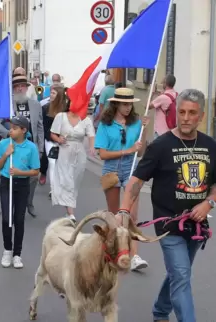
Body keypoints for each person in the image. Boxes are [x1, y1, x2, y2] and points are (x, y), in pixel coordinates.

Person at [116, 89, 215, 322]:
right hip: (169, 224)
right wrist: (123, 210)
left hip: (197, 226)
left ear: (201, 115)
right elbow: (136, 181)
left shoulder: (210, 145)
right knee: (181, 273)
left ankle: (161, 310)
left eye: (192, 113)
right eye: (181, 112)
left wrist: (208, 203)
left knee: (178, 273)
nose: (186, 117)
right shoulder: (161, 146)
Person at [94, 87, 150, 271]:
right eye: (124, 104)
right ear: (116, 104)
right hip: (112, 170)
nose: (127, 108)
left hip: (131, 169)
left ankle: (134, 256)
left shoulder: (135, 123)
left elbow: (140, 152)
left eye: (130, 104)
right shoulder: (106, 124)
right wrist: (128, 150)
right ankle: (111, 249)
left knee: (132, 215)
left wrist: (145, 131)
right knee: (115, 216)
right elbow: (102, 154)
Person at [0, 73, 44, 217]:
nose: (20, 89)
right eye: (17, 86)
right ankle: (15, 202)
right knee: (13, 175)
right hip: (13, 146)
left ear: (27, 88)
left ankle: (29, 201)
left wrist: (40, 148)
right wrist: (8, 133)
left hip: (31, 146)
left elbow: (40, 127)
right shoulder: (6, 106)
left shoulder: (35, 105)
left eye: (23, 86)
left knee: (33, 177)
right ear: (13, 89)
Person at [0, 116, 40, 269]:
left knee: (19, 219)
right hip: (6, 183)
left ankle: (17, 254)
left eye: (14, 128)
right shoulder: (3, 144)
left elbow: (35, 171)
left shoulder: (31, 147)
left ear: (23, 130)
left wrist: (21, 172)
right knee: (7, 218)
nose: (11, 131)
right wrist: (6, 154)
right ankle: (7, 250)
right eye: (10, 128)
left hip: (22, 185)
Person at [50, 91, 96, 222]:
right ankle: (71, 213)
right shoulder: (61, 116)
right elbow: (53, 133)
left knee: (74, 181)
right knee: (66, 180)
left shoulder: (85, 119)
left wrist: (92, 147)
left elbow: (91, 135)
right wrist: (59, 140)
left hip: (79, 152)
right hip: (65, 150)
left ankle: (68, 208)